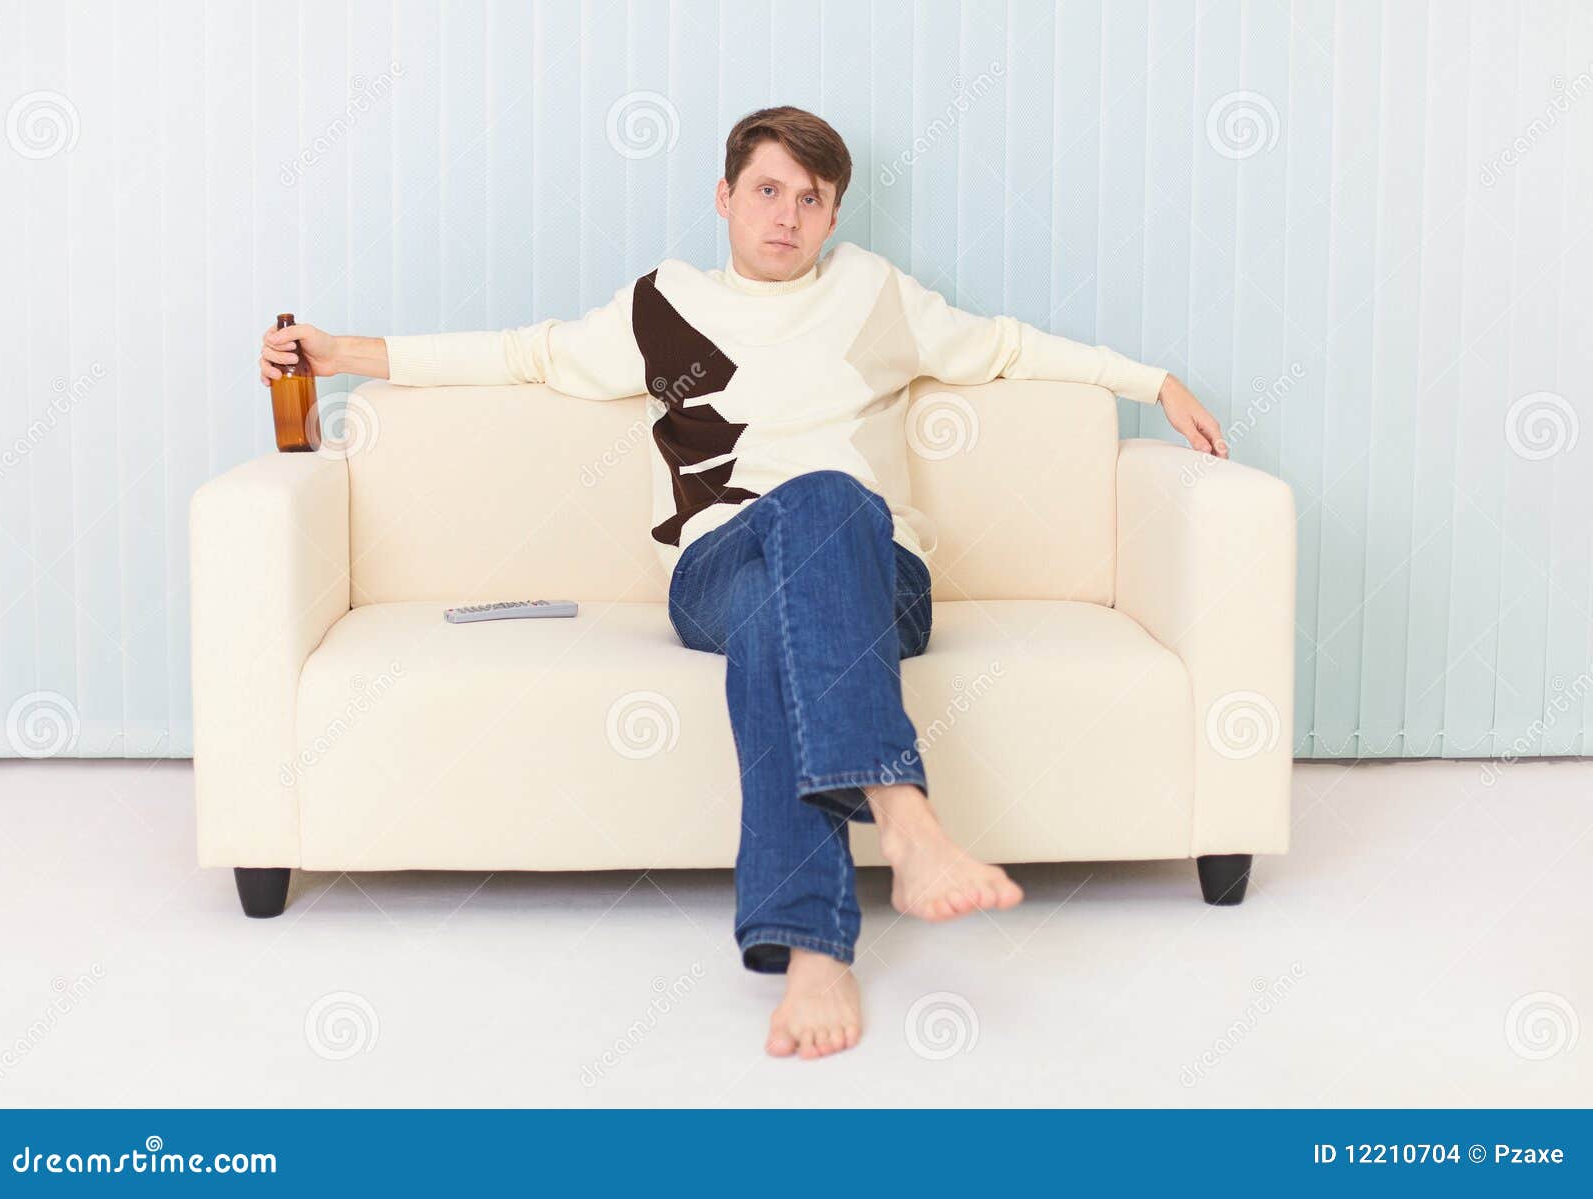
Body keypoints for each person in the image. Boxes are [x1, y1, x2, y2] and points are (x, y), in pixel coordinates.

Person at [258, 106, 1228, 1062]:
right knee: (789, 542)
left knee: (819, 527)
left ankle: (810, 942)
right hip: (714, 568)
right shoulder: (662, 304)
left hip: (877, 576)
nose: (786, 217)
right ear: (723, 197)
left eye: (812, 200)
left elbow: (1009, 346)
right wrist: (342, 354)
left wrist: (1154, 382)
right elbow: (525, 351)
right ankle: (898, 819)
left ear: (833, 217)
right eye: (766, 191)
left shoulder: (873, 293)